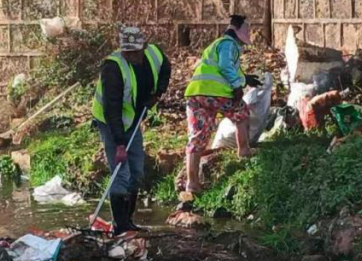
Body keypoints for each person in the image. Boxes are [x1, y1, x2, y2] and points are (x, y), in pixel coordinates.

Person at [92, 25, 170, 234]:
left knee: (136, 171)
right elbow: (112, 108)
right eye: (127, 52)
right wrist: (119, 144)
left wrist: (158, 93)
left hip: (133, 118)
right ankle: (120, 226)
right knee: (121, 172)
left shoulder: (154, 54)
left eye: (135, 52)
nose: (131, 57)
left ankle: (128, 221)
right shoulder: (112, 68)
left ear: (143, 47)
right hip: (111, 122)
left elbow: (165, 68)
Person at [183, 14, 260, 194]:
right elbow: (226, 66)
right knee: (241, 113)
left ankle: (192, 184)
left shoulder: (215, 44)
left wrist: (245, 79)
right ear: (238, 30)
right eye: (246, 30)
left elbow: (221, 68)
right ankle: (244, 151)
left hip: (196, 95)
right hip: (216, 94)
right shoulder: (228, 44)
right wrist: (237, 86)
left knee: (197, 137)